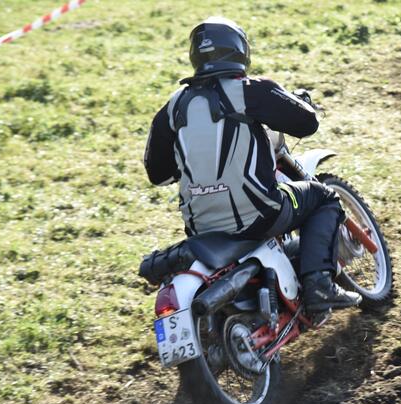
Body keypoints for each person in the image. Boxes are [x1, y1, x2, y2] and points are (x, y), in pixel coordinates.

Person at [143, 17, 361, 313]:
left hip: (200, 228)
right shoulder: (249, 90)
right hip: (260, 215)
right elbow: (306, 124)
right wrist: (300, 104)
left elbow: (157, 175)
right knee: (324, 198)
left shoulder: (172, 107)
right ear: (240, 50)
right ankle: (319, 285)